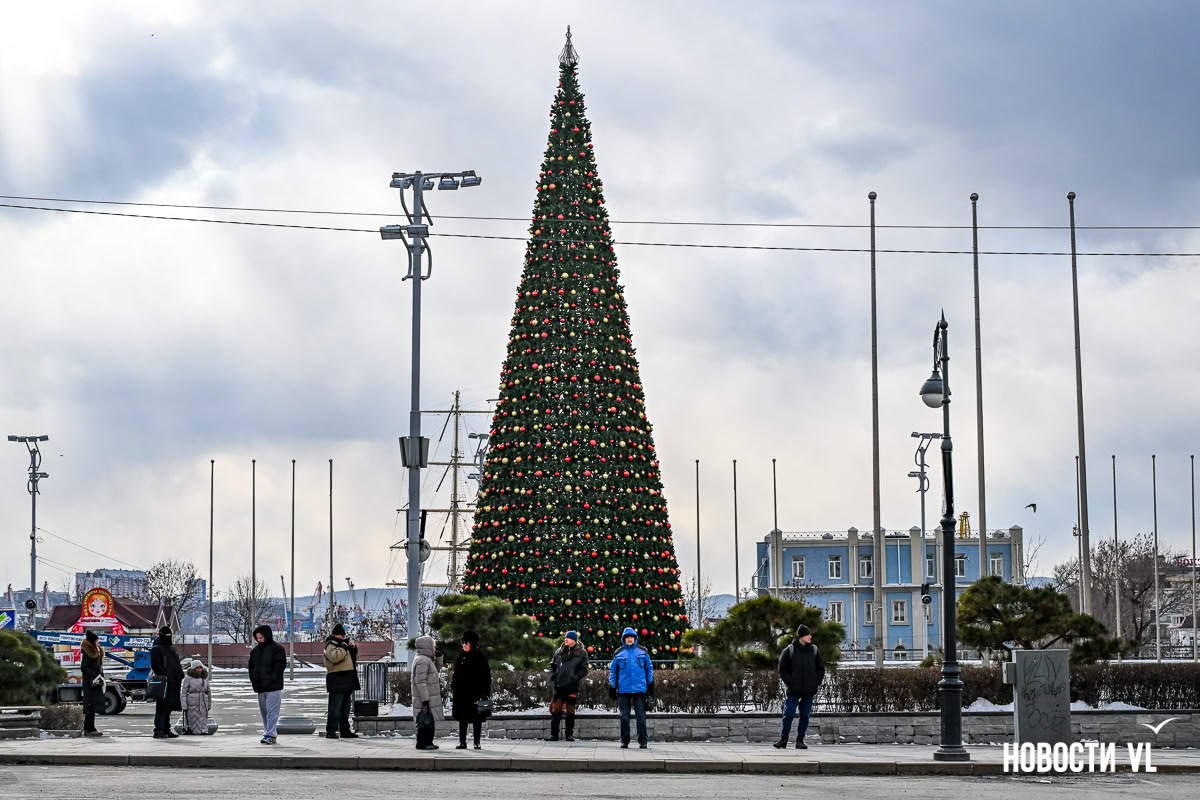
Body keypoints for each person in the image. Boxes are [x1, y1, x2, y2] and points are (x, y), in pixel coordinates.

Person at [775, 623, 826, 749]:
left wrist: (816, 682)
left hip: (809, 690)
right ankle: (783, 739)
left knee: (805, 716)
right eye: (807, 635)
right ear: (801, 636)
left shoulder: (814, 650)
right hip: (794, 690)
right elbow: (782, 669)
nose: (810, 636)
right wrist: (790, 682)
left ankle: (800, 740)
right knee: (789, 714)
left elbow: (821, 668)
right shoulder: (790, 650)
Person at [608, 627, 653, 749]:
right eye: (627, 637)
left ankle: (643, 741)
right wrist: (612, 686)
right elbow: (613, 672)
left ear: (635, 638)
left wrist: (650, 684)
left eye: (631, 637)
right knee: (624, 716)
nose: (629, 639)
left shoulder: (643, 652)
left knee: (641, 716)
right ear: (624, 639)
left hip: (640, 689)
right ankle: (624, 740)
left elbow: (649, 669)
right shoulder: (619, 654)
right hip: (624, 690)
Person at [450, 629, 492, 750]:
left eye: (467, 643)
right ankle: (462, 742)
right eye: (463, 643)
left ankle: (476, 742)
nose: (464, 645)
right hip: (462, 694)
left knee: (476, 719)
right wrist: (454, 686)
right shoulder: (461, 657)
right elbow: (456, 674)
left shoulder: (480, 658)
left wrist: (484, 691)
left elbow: (486, 676)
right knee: (462, 719)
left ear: (473, 644)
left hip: (476, 693)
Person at [546, 630, 588, 742]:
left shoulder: (582, 653)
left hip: (572, 686)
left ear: (574, 640)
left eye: (568, 638)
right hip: (558, 686)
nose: (566, 639)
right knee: (556, 710)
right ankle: (554, 734)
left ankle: (569, 734)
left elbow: (584, 669)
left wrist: (575, 677)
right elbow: (552, 665)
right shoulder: (559, 651)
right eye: (565, 638)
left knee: (570, 711)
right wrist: (552, 675)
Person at [248, 624, 287, 745]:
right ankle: (268, 732)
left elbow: (280, 667)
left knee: (272, 712)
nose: (259, 640)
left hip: (273, 687)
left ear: (267, 635)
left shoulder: (277, 649)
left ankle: (270, 734)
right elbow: (251, 668)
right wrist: (254, 680)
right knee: (264, 713)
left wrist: (271, 678)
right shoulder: (255, 651)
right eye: (257, 638)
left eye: (261, 637)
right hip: (260, 687)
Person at [323, 623, 360, 739]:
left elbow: (351, 660)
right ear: (334, 635)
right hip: (337, 679)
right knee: (335, 707)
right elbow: (335, 657)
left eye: (342, 636)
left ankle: (345, 730)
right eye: (339, 636)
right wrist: (344, 646)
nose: (341, 638)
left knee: (345, 708)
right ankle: (331, 730)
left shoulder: (342, 645)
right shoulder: (330, 645)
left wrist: (353, 648)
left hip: (347, 679)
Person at [411, 634, 444, 751]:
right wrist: (425, 699)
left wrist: (439, 659)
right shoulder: (422, 660)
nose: (434, 648)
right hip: (425, 697)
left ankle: (427, 742)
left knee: (428, 721)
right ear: (427, 646)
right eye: (432, 645)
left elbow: (434, 672)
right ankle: (423, 743)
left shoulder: (425, 659)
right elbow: (420, 681)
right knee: (425, 722)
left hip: (428, 696)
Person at [150, 625, 184, 739]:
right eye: (167, 635)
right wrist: (164, 675)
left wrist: (180, 673)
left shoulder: (171, 648)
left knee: (169, 707)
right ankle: (159, 729)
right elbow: (155, 665)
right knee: (162, 707)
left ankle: (166, 728)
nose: (169, 637)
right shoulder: (157, 648)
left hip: (174, 682)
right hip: (165, 682)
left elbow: (176, 664)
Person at [79, 630, 104, 737]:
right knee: (90, 706)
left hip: (94, 681)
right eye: (96, 640)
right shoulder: (87, 652)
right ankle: (89, 728)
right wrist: (95, 675)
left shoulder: (94, 650)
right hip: (90, 682)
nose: (97, 642)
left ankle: (91, 727)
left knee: (93, 706)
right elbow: (84, 667)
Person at [180, 659, 212, 735]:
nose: (199, 669)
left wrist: (209, 704)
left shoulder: (204, 678)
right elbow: (184, 692)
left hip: (203, 701)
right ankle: (193, 731)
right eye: (197, 668)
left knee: (203, 717)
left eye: (200, 668)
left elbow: (208, 691)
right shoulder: (188, 678)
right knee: (193, 718)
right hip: (192, 702)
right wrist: (184, 705)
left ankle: (203, 731)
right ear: (194, 668)